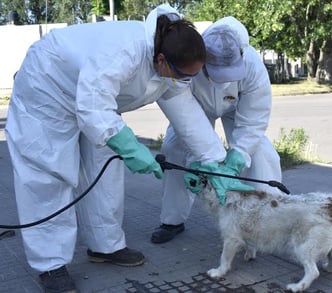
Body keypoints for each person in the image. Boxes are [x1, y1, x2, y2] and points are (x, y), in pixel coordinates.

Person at [5, 4, 252, 293]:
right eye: (183, 76)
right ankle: (50, 264)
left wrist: (214, 159)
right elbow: (93, 104)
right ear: (161, 59)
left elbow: (188, 115)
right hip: (48, 89)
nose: (186, 82)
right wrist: (130, 146)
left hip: (97, 103)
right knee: (49, 174)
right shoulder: (124, 50)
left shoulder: (170, 68)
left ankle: (105, 246)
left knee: (106, 167)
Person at [151, 16, 283, 244]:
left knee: (263, 155)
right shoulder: (188, 56)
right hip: (195, 108)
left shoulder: (253, 65)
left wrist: (238, 155)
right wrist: (197, 160)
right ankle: (172, 220)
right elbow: (184, 114)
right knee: (173, 148)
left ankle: (269, 221)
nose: (221, 79)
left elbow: (253, 118)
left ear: (243, 53)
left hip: (235, 108)